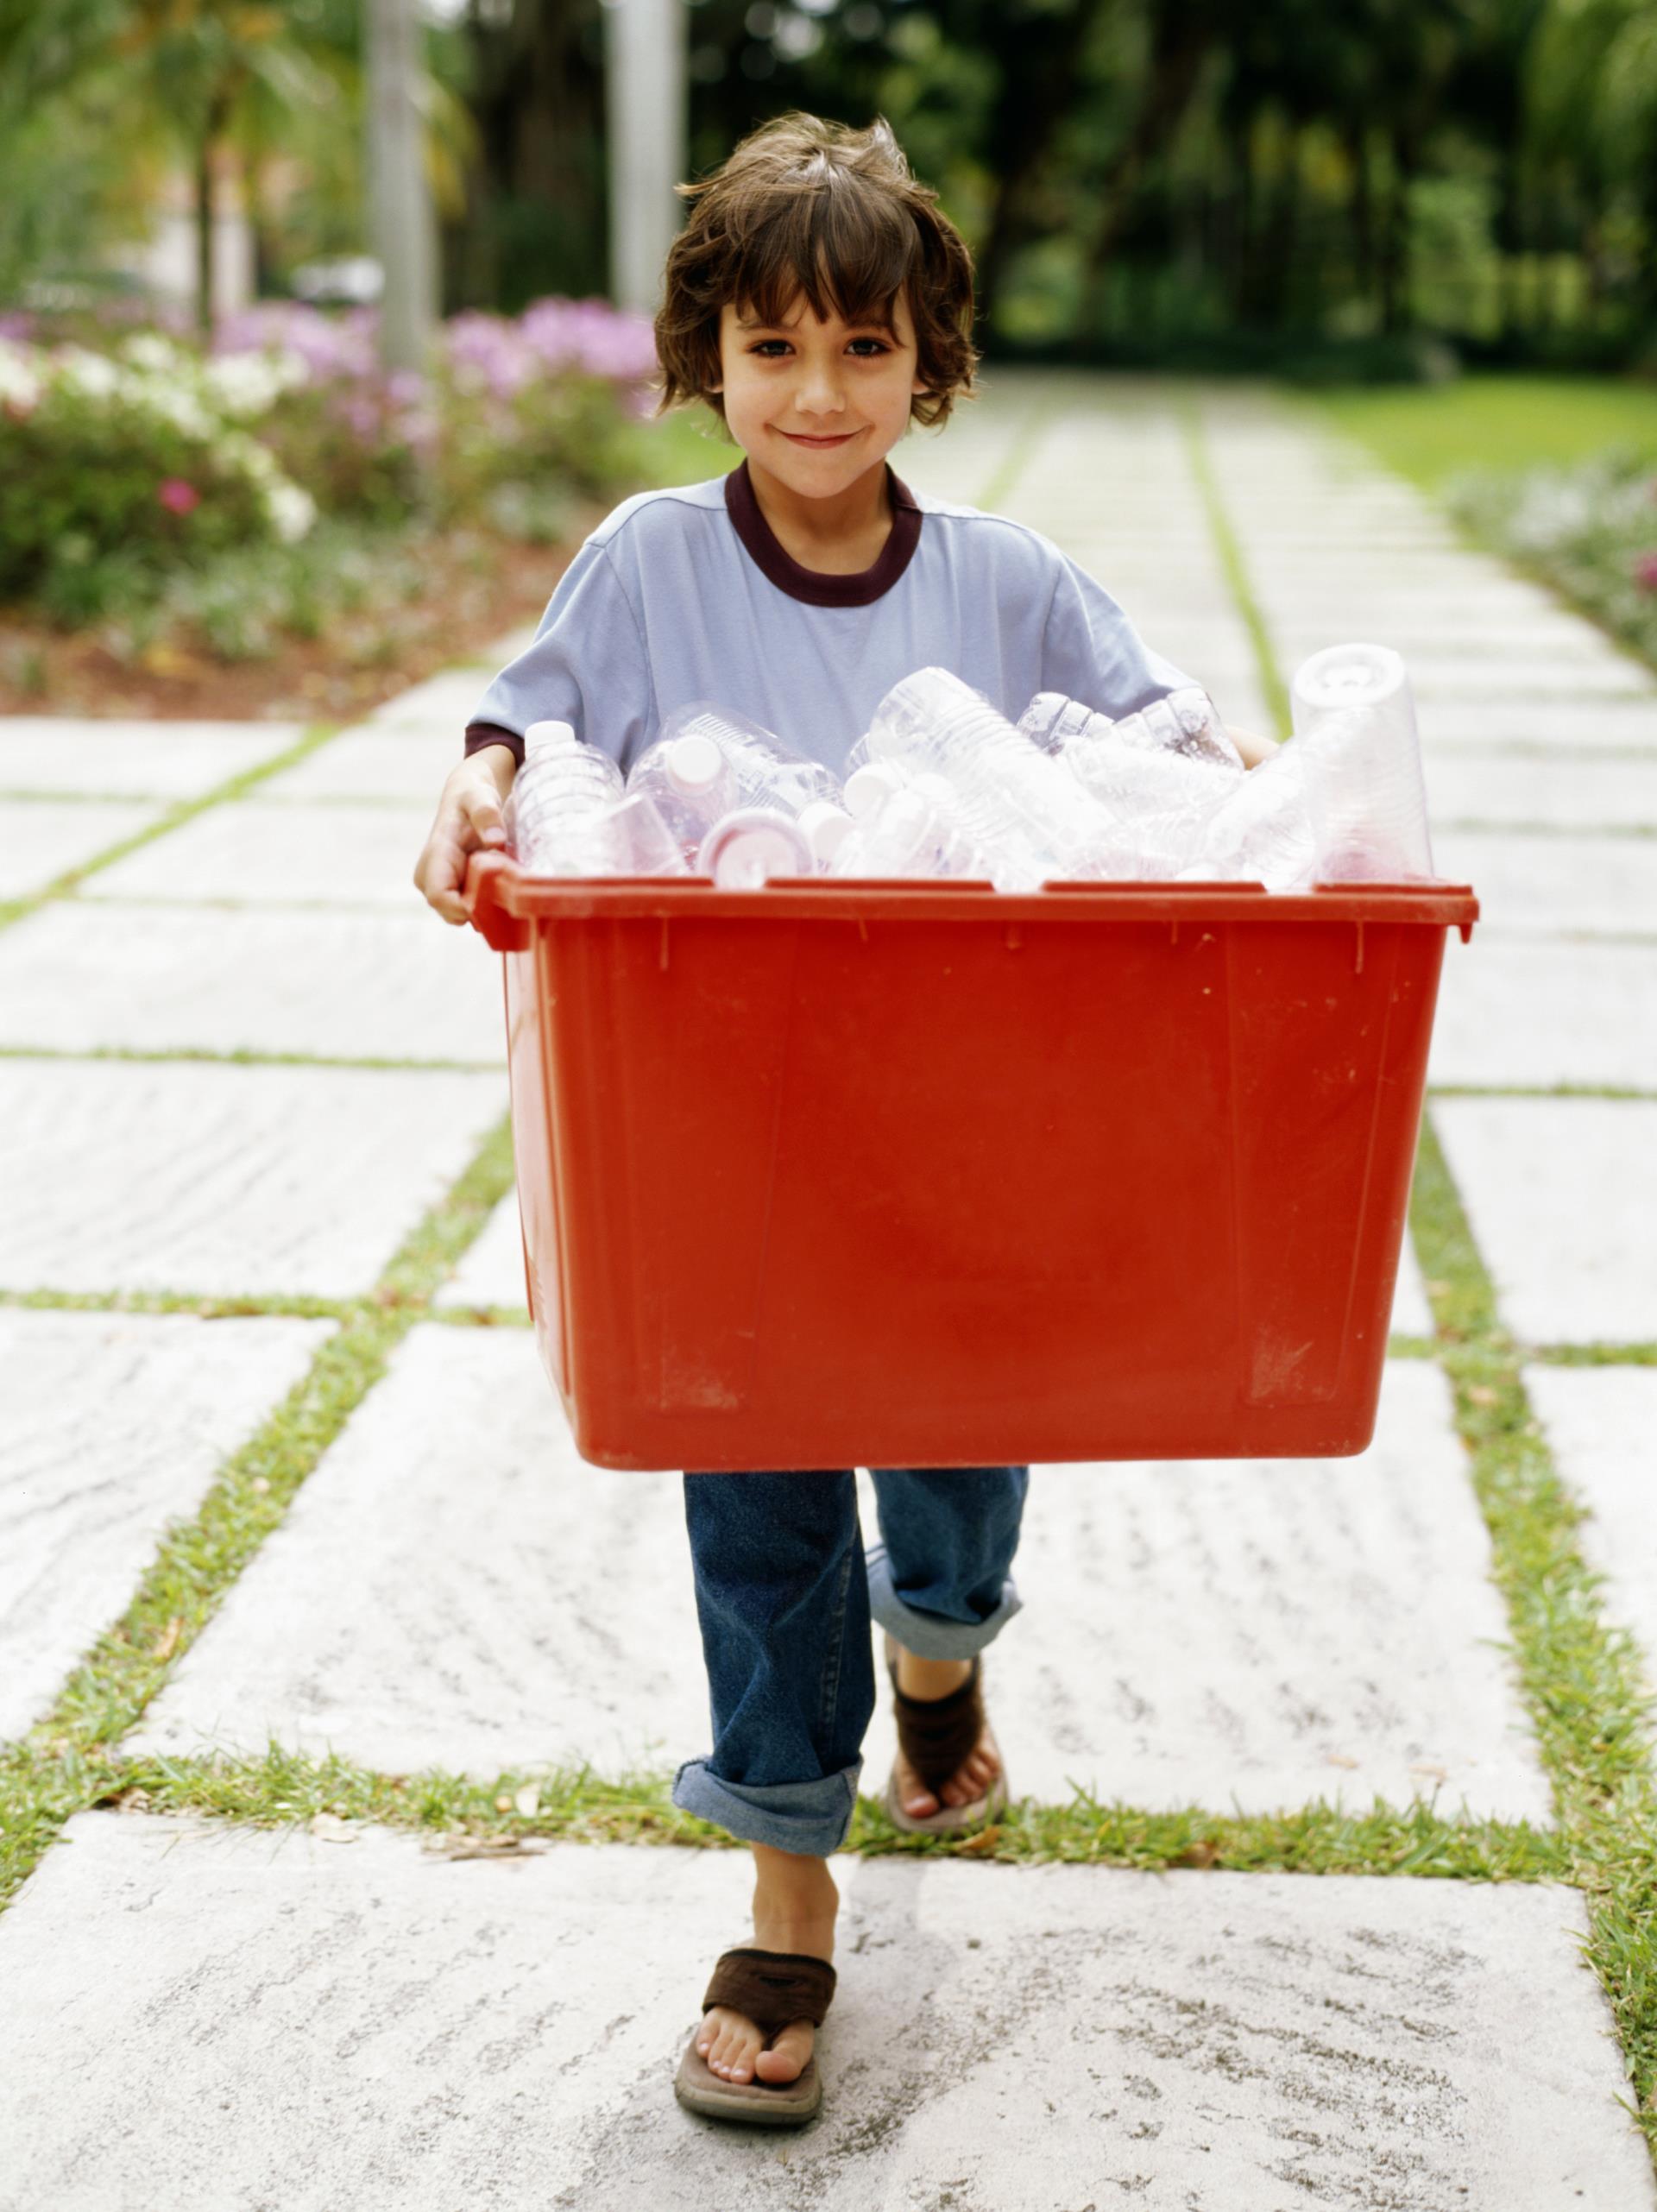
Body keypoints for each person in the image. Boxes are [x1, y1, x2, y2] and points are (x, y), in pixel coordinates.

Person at [413, 110, 1276, 2130]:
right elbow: (524, 727)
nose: (819, 395)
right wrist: (472, 792)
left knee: (965, 1463)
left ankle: (946, 1650)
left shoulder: (1010, 581)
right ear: (706, 348)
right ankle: (790, 1881)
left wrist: (1256, 776)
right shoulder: (644, 561)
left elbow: (1165, 752)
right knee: (763, 1498)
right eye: (775, 345)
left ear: (932, 363)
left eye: (866, 349)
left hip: (979, 1146)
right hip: (730, 1146)